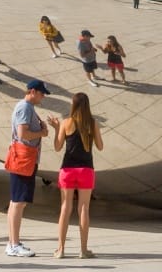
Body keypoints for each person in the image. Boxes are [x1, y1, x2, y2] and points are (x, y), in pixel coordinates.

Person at [6, 79, 54, 257]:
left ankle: (12, 241)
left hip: (24, 160)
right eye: (41, 94)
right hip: (23, 160)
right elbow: (22, 133)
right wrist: (41, 133)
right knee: (18, 203)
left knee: (16, 202)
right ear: (32, 91)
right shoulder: (25, 108)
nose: (43, 97)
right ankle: (14, 245)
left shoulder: (28, 108)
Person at [53, 91, 104, 258]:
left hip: (67, 169)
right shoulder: (93, 123)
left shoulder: (66, 122)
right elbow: (100, 146)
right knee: (84, 208)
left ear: (73, 105)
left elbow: (58, 147)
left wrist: (56, 129)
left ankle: (60, 249)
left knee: (65, 208)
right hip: (86, 169)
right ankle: (83, 250)